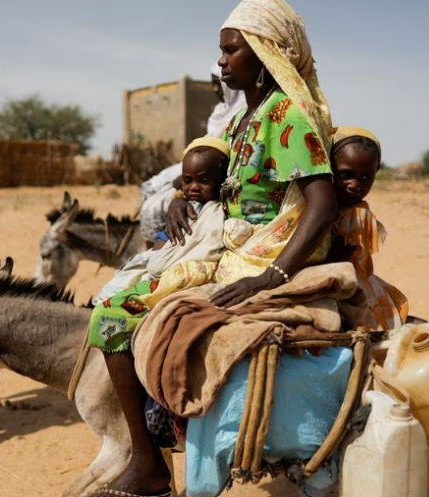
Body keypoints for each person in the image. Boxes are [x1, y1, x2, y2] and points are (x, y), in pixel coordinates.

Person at [91, 1, 336, 495]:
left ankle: (150, 463)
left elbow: (321, 200)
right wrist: (183, 197)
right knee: (119, 291)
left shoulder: (284, 115)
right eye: (220, 51)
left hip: (258, 257)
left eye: (230, 50)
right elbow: (219, 178)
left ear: (267, 53)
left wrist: (274, 276)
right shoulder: (247, 118)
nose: (221, 61)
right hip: (225, 247)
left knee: (113, 316)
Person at [90, 138, 229, 349]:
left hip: (179, 276)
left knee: (110, 315)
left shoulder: (216, 213)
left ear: (221, 180)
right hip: (158, 266)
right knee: (114, 289)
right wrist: (160, 248)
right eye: (188, 180)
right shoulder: (182, 208)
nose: (194, 187)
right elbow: (163, 239)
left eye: (203, 180)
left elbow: (206, 246)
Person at [138, 65, 247, 244]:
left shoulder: (242, 111)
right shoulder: (220, 112)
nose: (215, 89)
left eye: (219, 84)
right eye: (213, 84)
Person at [326, 126, 409, 330]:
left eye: (366, 178)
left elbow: (335, 264)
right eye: (346, 174)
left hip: (349, 290)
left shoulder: (357, 215)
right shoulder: (324, 206)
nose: (355, 185)